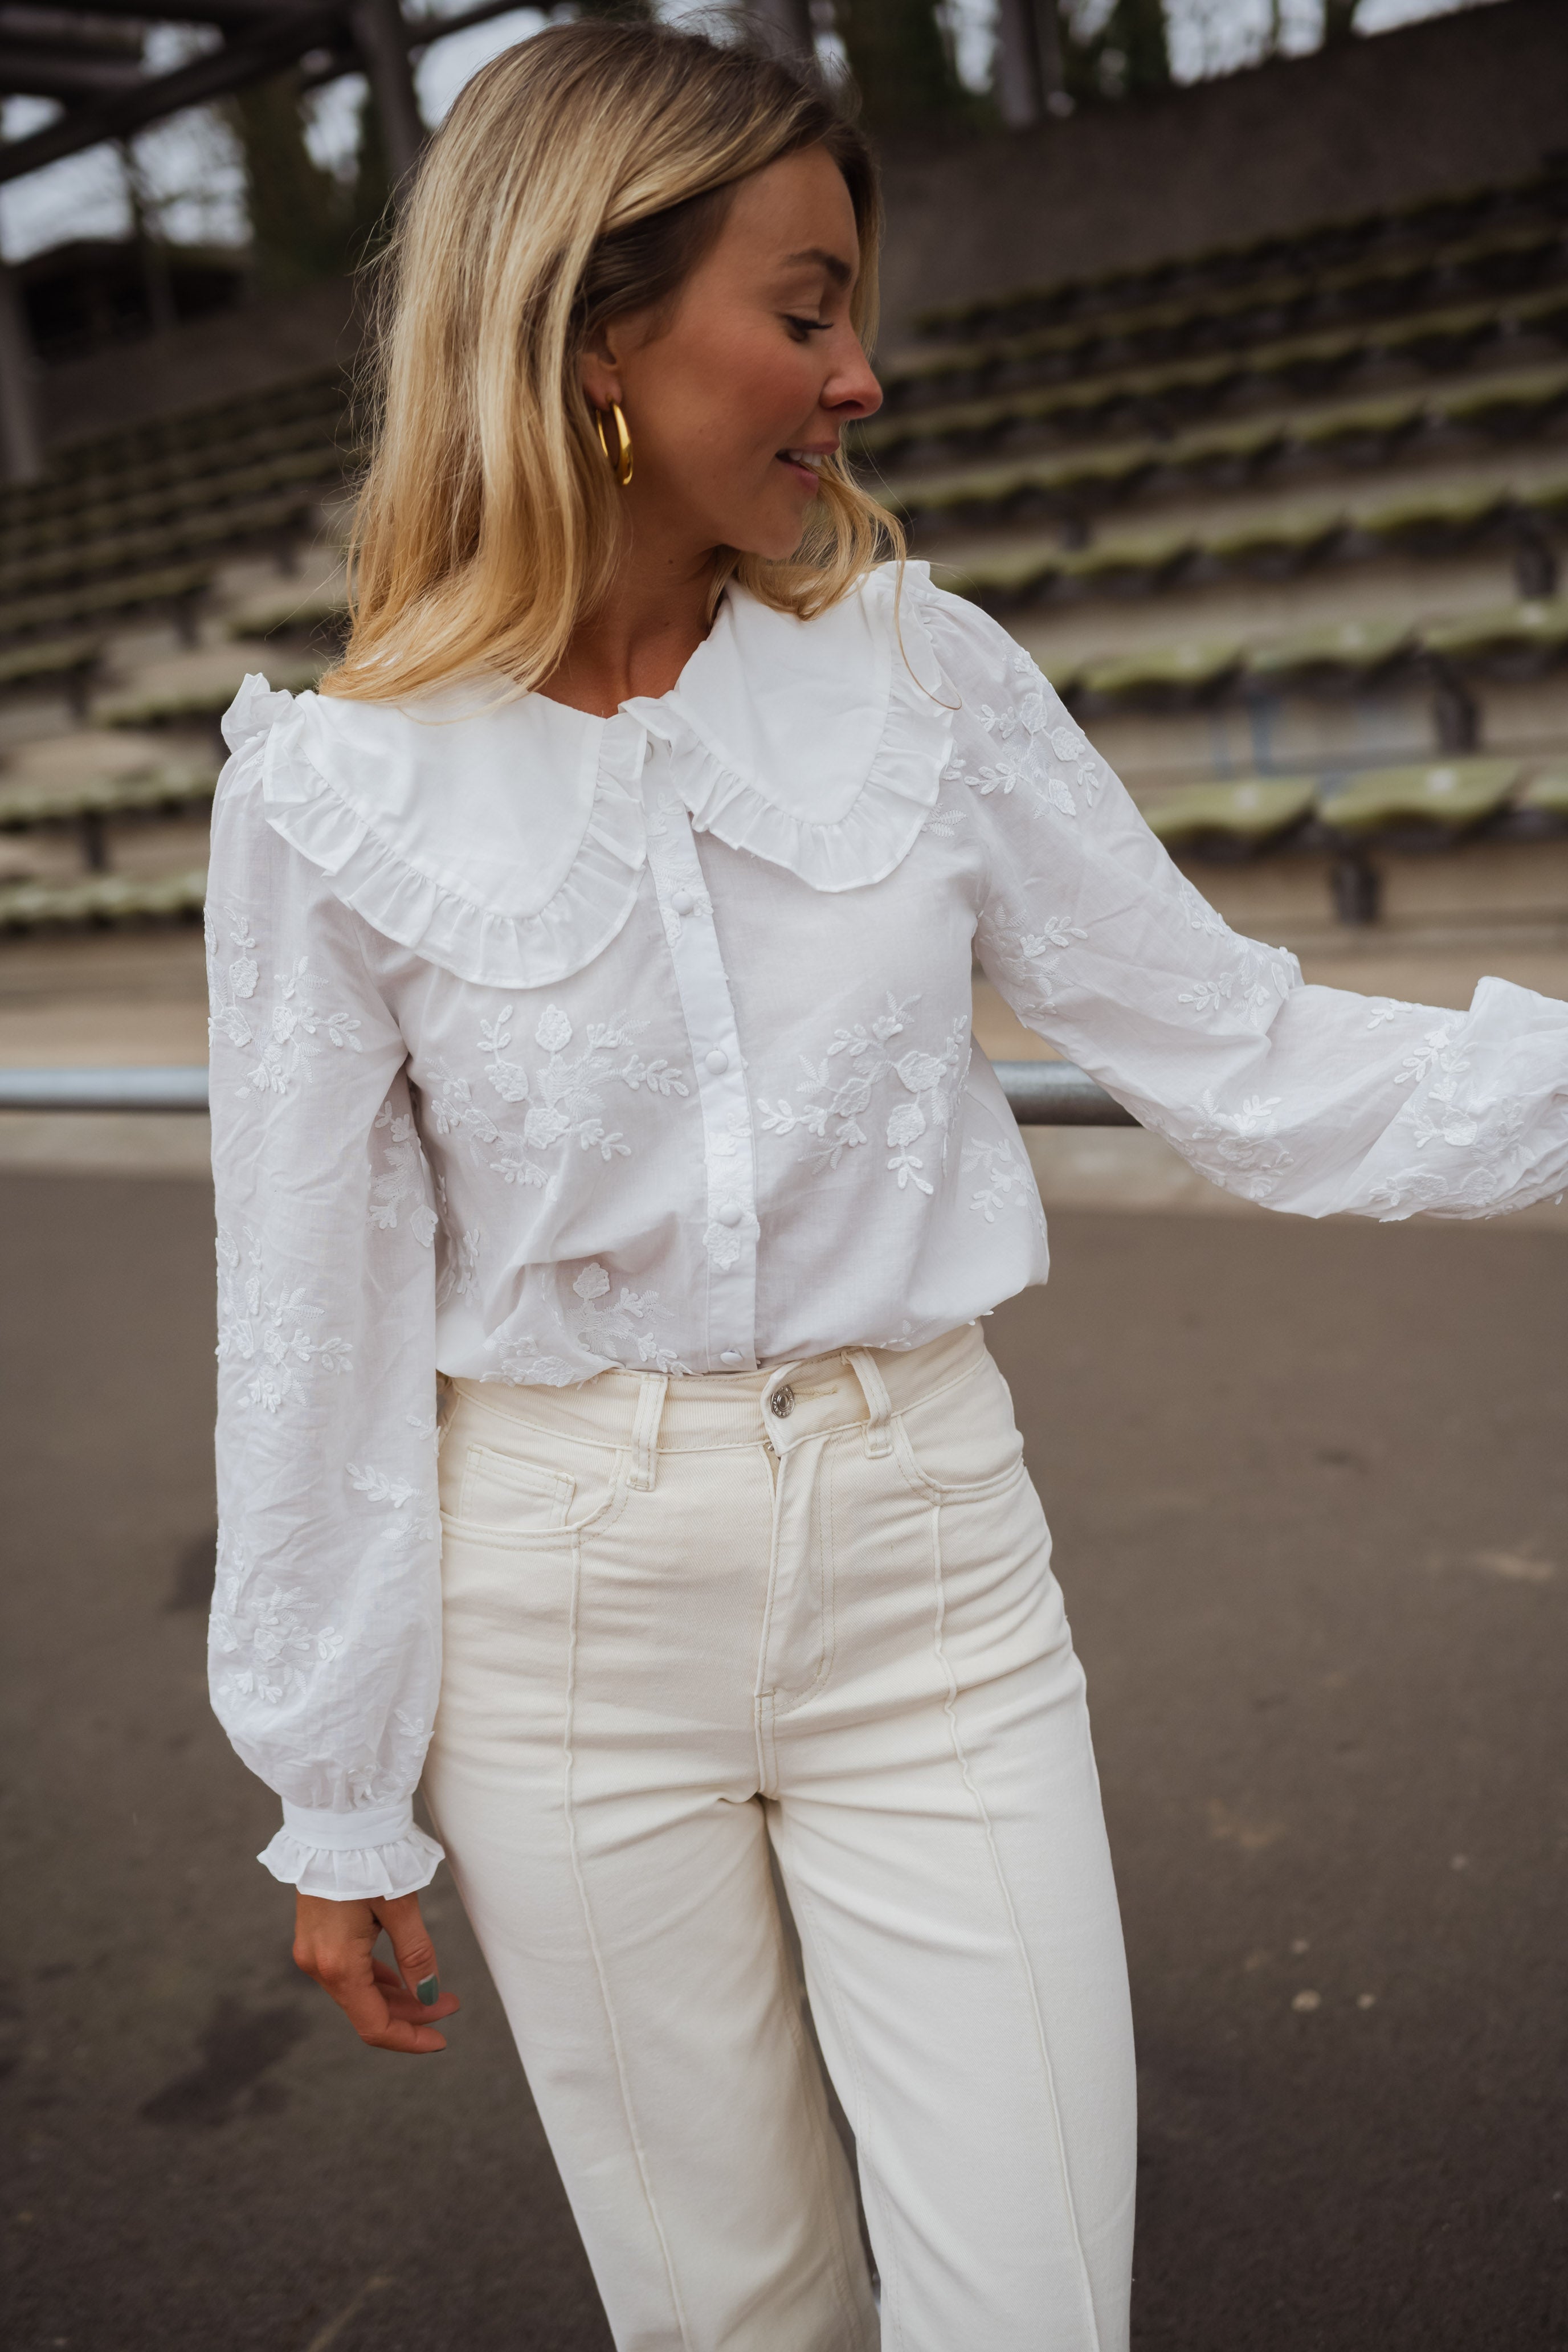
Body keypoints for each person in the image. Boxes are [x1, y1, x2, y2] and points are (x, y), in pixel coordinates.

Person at [203, 21, 1568, 2350]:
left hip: (926, 1571)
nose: (862, 379)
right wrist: (337, 1794)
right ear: (592, 330)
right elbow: (307, 1326)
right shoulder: (332, 800)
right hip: (554, 1627)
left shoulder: (926, 683)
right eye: (806, 306)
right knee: (722, 2315)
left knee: (1032, 2299)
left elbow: (1237, 1054)